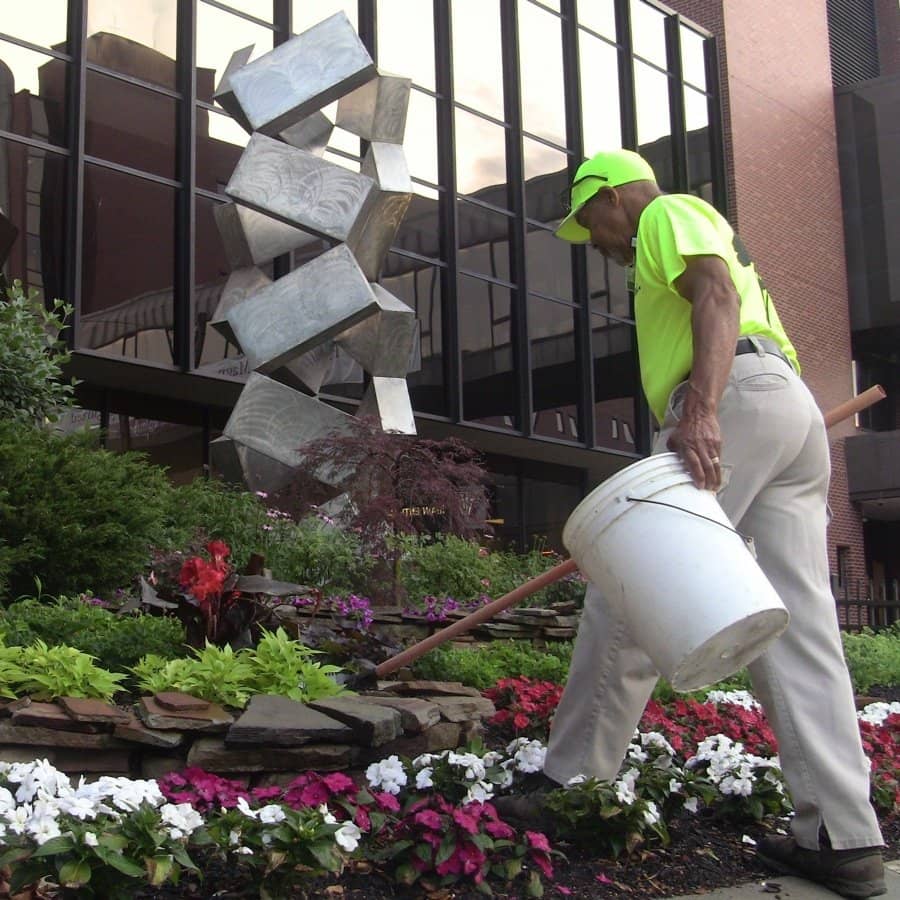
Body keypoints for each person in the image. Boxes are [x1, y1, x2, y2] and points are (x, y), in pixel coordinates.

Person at [494, 149, 885, 899]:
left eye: (590, 223)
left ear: (612, 197)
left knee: (635, 586)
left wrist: (701, 408)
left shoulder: (665, 215)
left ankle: (571, 785)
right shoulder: (687, 226)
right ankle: (842, 837)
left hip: (731, 396)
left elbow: (714, 294)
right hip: (784, 407)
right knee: (796, 626)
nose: (599, 243)